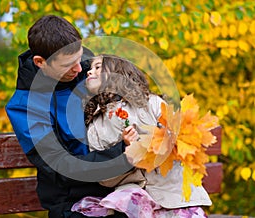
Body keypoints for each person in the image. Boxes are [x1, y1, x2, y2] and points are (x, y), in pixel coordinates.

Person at [5, 15, 132, 218]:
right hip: (73, 202)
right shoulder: (25, 107)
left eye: (79, 58)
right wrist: (124, 154)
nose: (79, 69)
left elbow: (131, 103)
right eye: (68, 65)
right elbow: (61, 169)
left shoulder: (90, 70)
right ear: (40, 62)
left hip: (123, 187)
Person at [71, 54, 212, 217]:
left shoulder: (151, 103)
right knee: (125, 202)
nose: (89, 72)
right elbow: (104, 177)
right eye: (90, 69)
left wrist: (156, 141)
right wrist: (125, 154)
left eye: (98, 67)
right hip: (134, 196)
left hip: (173, 193)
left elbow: (180, 138)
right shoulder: (95, 126)